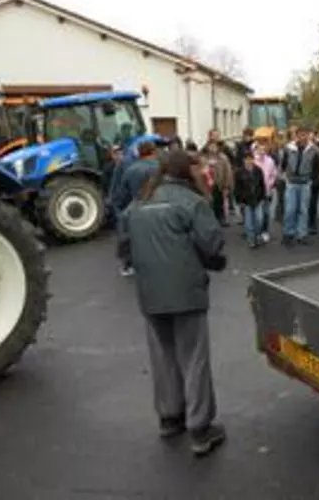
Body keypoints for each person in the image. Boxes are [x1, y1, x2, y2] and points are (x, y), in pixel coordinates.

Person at [120, 149, 227, 458]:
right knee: (194, 359)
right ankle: (200, 429)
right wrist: (214, 263)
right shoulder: (192, 202)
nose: (202, 169)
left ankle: (170, 418)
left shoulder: (139, 202)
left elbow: (124, 246)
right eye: (197, 165)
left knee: (163, 356)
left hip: (150, 293)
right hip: (185, 292)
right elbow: (212, 244)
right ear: (186, 170)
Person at [114, 141, 160, 277]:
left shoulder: (131, 169)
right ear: (153, 152)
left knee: (129, 235)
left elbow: (122, 193)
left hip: (137, 205)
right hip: (159, 205)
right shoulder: (160, 167)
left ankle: (128, 265)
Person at [281, 124, 319, 245]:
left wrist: (312, 180)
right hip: (292, 182)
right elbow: (283, 163)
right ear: (297, 135)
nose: (303, 136)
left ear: (309, 135)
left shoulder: (314, 150)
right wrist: (285, 176)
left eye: (306, 134)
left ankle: (302, 234)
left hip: (305, 182)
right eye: (301, 134)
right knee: (290, 209)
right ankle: (288, 233)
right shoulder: (289, 148)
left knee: (303, 210)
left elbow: (317, 167)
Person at [234, 152, 267, 248]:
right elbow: (237, 188)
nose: (249, 161)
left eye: (250, 159)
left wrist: (263, 197)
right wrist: (239, 201)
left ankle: (257, 236)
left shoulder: (258, 170)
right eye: (246, 159)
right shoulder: (239, 173)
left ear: (253, 159)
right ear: (243, 160)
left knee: (259, 220)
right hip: (246, 201)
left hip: (257, 199)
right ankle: (251, 240)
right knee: (248, 223)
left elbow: (262, 185)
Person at [204, 140, 233, 226]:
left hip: (219, 185)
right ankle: (210, 220)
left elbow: (228, 172)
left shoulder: (223, 158)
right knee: (209, 204)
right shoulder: (204, 158)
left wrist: (227, 186)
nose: (212, 148)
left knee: (220, 203)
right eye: (210, 146)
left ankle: (221, 219)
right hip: (208, 186)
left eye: (214, 146)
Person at [253, 144, 277, 242]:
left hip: (267, 191)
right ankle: (257, 232)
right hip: (256, 192)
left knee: (266, 213)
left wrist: (270, 184)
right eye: (260, 149)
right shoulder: (253, 161)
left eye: (264, 149)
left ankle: (265, 231)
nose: (262, 151)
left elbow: (273, 174)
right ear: (256, 150)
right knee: (258, 215)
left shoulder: (270, 161)